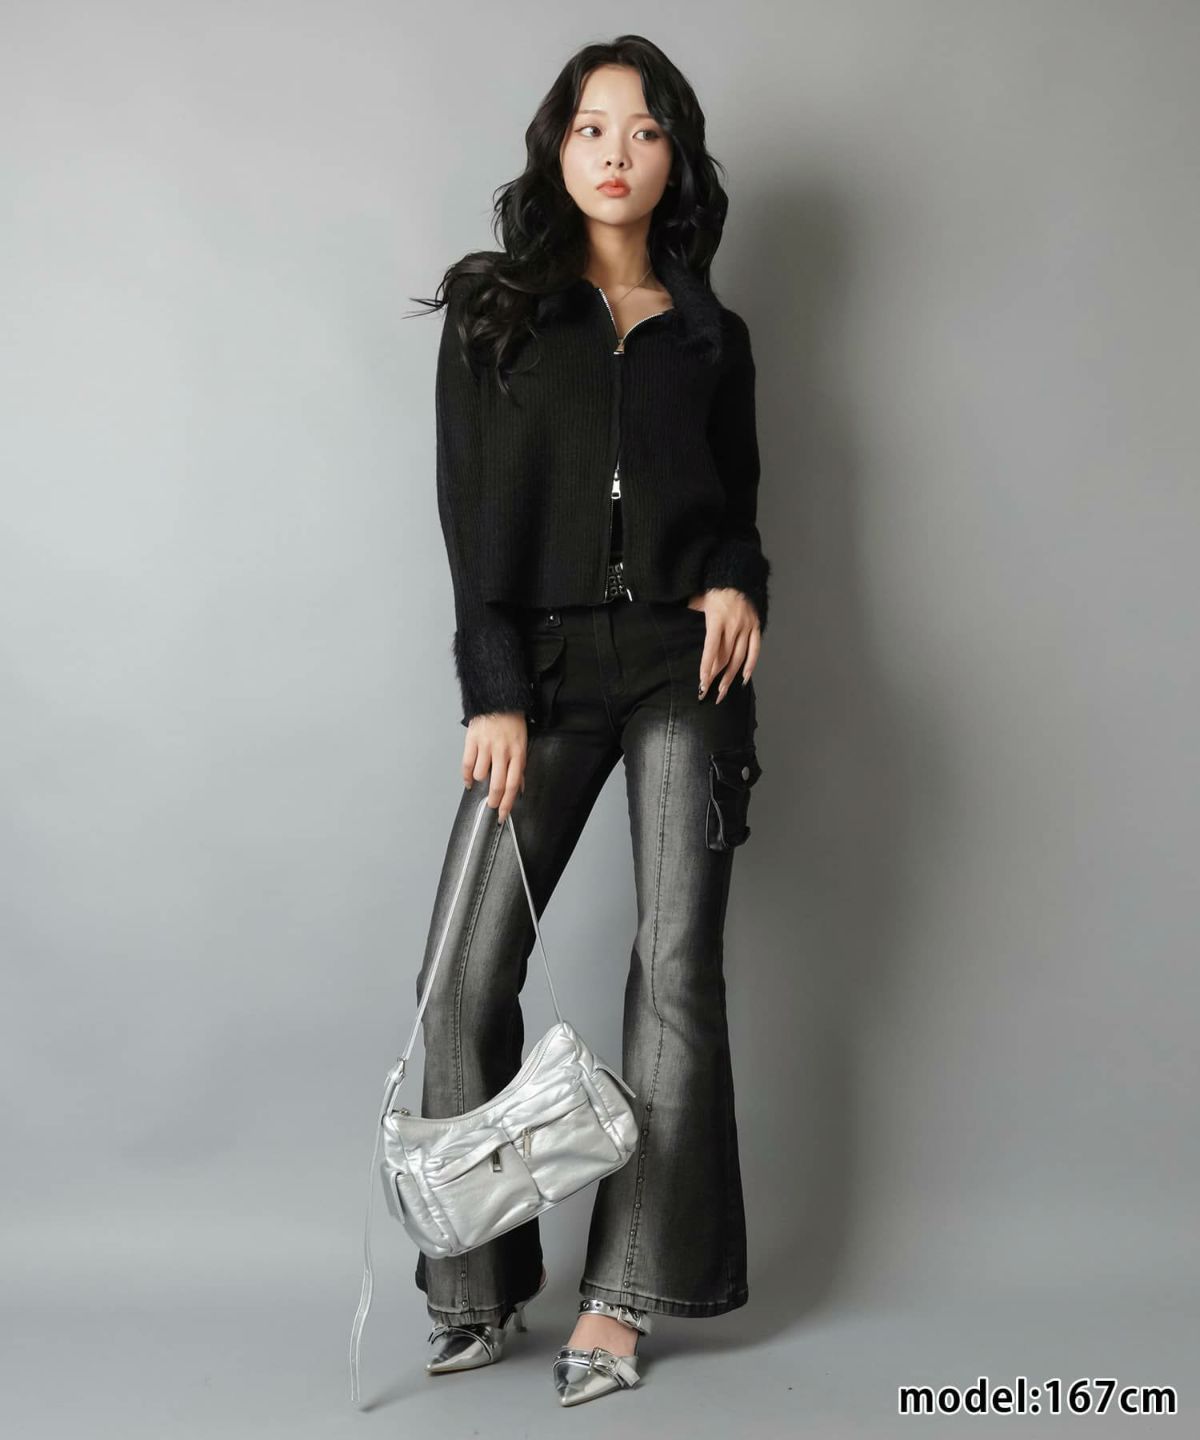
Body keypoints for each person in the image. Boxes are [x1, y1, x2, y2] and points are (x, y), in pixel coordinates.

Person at [409, 34, 771, 1407]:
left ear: (675, 158)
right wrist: (494, 689)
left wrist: (738, 579)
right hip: (547, 675)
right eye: (591, 127)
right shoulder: (494, 310)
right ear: (557, 150)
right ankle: (474, 1280)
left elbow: (735, 509)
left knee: (673, 973)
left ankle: (622, 1295)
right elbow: (469, 519)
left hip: (684, 668)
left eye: (645, 130)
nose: (616, 151)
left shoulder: (712, 335)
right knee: (462, 980)